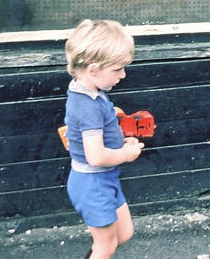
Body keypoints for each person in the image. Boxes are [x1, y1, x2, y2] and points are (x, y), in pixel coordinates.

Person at [64, 19, 144, 259]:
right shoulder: (86, 106)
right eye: (117, 69)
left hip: (104, 179)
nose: (123, 74)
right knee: (105, 246)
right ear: (93, 69)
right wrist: (126, 155)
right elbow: (96, 156)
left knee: (124, 234)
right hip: (92, 184)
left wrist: (122, 142)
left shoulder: (91, 91)